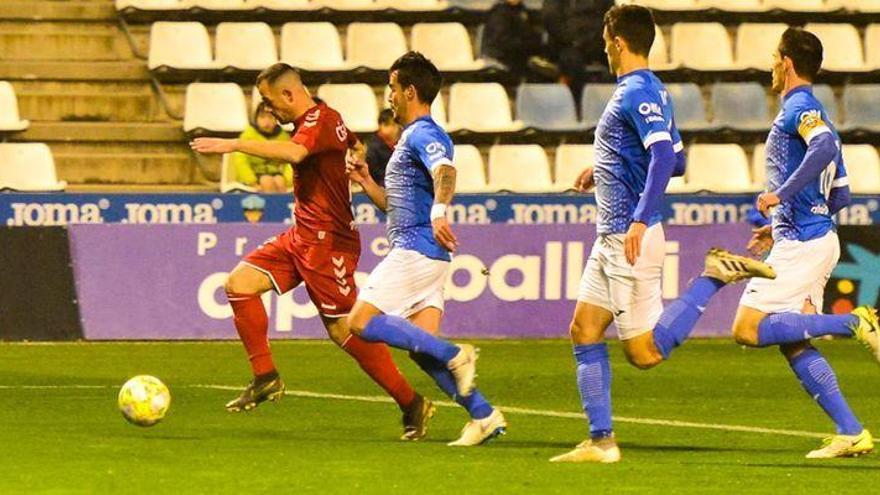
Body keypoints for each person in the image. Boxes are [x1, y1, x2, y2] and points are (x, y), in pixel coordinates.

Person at [550, 5, 776, 464]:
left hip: (627, 234)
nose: (602, 45)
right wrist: (606, 168)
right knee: (583, 328)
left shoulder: (637, 92)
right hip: (611, 234)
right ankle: (601, 441)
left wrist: (638, 215)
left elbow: (659, 159)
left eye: (604, 37)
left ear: (616, 41)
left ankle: (714, 276)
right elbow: (677, 160)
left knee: (645, 352)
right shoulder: (650, 91)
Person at [190, 63, 434, 441]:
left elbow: (295, 154)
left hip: (328, 243)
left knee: (344, 329)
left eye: (271, 102)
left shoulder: (317, 121)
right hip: (302, 234)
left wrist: (235, 144)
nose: (269, 110)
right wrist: (354, 156)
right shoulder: (325, 118)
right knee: (238, 285)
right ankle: (266, 376)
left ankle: (411, 402)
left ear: (289, 94)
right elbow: (352, 141)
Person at [731, 27, 879, 459]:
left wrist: (782, 197)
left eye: (775, 56)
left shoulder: (799, 108)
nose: (771, 64)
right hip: (816, 236)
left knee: (747, 328)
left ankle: (853, 323)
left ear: (788, 62)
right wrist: (781, 219)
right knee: (793, 340)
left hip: (801, 243)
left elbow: (823, 146)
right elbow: (842, 194)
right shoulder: (820, 111)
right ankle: (851, 431)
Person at [345, 52, 507, 447]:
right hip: (427, 252)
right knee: (421, 350)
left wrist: (439, 211)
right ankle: (483, 415)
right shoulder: (410, 138)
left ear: (410, 91)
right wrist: (368, 183)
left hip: (415, 249)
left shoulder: (424, 134)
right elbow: (398, 204)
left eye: (393, 89)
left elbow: (445, 172)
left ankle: (457, 354)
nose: (389, 97)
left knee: (360, 322)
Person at [482, 0, 556, 79]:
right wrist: (535, 41)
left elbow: (527, 32)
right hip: (503, 59)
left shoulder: (519, 10)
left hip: (518, 55)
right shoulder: (500, 13)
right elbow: (503, 42)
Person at [229, 102, 293, 193]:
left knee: (280, 181)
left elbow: (290, 162)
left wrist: (288, 180)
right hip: (254, 174)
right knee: (267, 181)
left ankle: (280, 206)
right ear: (256, 119)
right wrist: (251, 181)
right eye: (262, 117)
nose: (267, 121)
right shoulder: (247, 136)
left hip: (276, 173)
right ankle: (270, 207)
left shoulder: (284, 137)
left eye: (271, 117)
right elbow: (241, 161)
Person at [364, 109, 401, 187]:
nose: (395, 129)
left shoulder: (401, 141)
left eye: (396, 125)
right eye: (392, 125)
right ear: (381, 125)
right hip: (381, 185)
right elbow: (374, 172)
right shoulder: (373, 145)